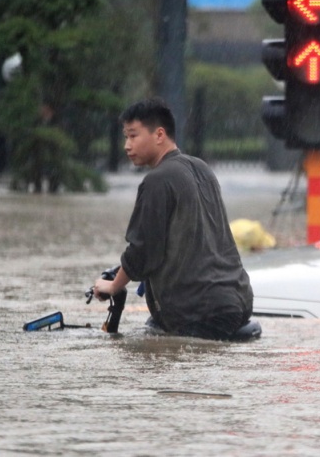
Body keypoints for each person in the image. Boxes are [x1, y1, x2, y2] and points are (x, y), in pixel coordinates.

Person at [91, 98, 254, 340]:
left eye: (133, 136)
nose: (127, 145)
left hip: (198, 312)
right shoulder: (202, 168)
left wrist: (114, 285)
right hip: (239, 301)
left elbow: (143, 251)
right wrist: (124, 271)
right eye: (125, 137)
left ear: (159, 135)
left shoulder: (157, 180)